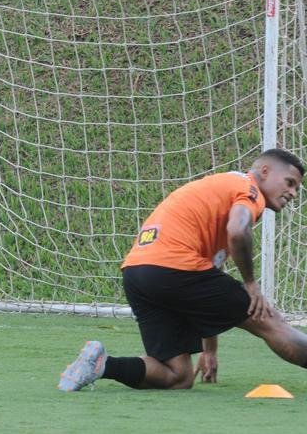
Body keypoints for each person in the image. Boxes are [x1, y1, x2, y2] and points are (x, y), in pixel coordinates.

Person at [58, 148, 307, 392]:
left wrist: (209, 350)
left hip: (137, 273)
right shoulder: (249, 190)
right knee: (269, 321)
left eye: (296, 188)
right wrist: (251, 284)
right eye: (289, 182)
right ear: (264, 171)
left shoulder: (222, 188)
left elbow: (210, 277)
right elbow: (238, 231)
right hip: (175, 268)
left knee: (178, 375)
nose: (293, 193)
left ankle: (102, 365)